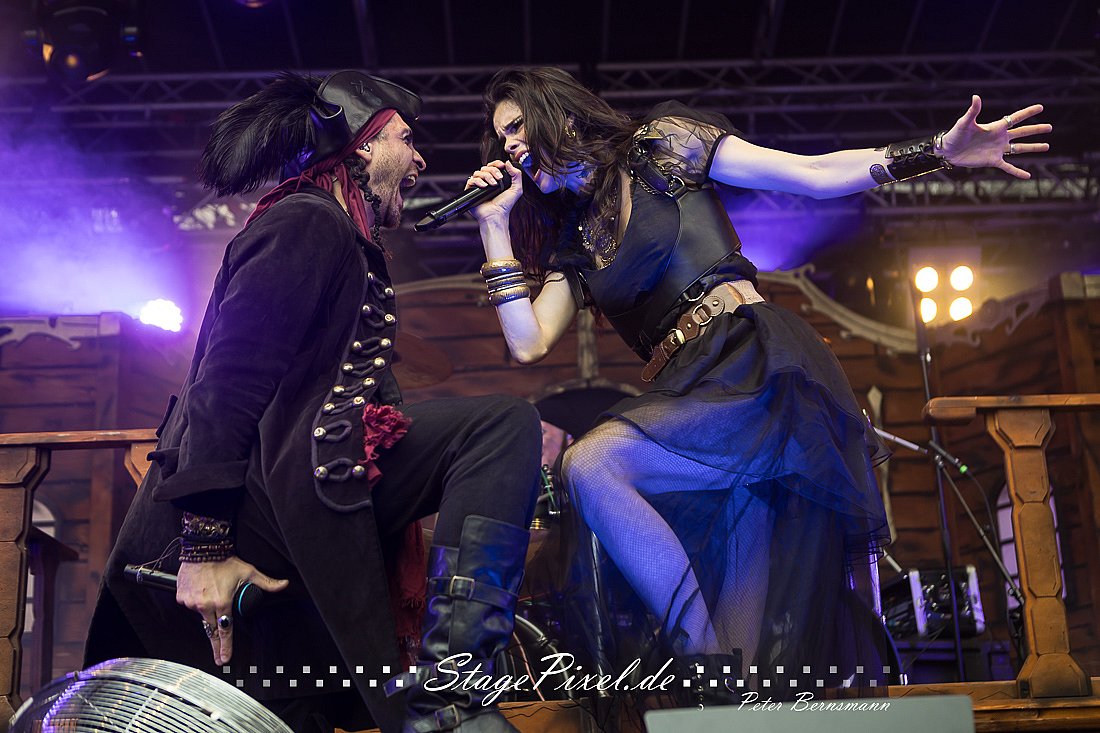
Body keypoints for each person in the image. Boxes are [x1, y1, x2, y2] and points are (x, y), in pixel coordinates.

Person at [466, 67, 1051, 706]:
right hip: (686, 392)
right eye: (501, 140)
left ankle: (703, 663)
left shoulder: (663, 144)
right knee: (746, 665)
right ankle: (724, 683)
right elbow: (527, 343)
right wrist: (494, 225)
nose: (510, 147)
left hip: (751, 366)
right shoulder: (576, 242)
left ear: (559, 113)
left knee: (589, 463)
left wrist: (936, 151)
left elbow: (812, 174)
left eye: (517, 127)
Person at [84, 70, 544, 733]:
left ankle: (449, 693)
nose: (419, 160)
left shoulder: (336, 231)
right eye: (407, 140)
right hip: (261, 495)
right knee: (499, 425)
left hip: (299, 485)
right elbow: (227, 380)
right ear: (363, 145)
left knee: (302, 709)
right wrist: (205, 545)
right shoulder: (305, 221)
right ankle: (455, 689)